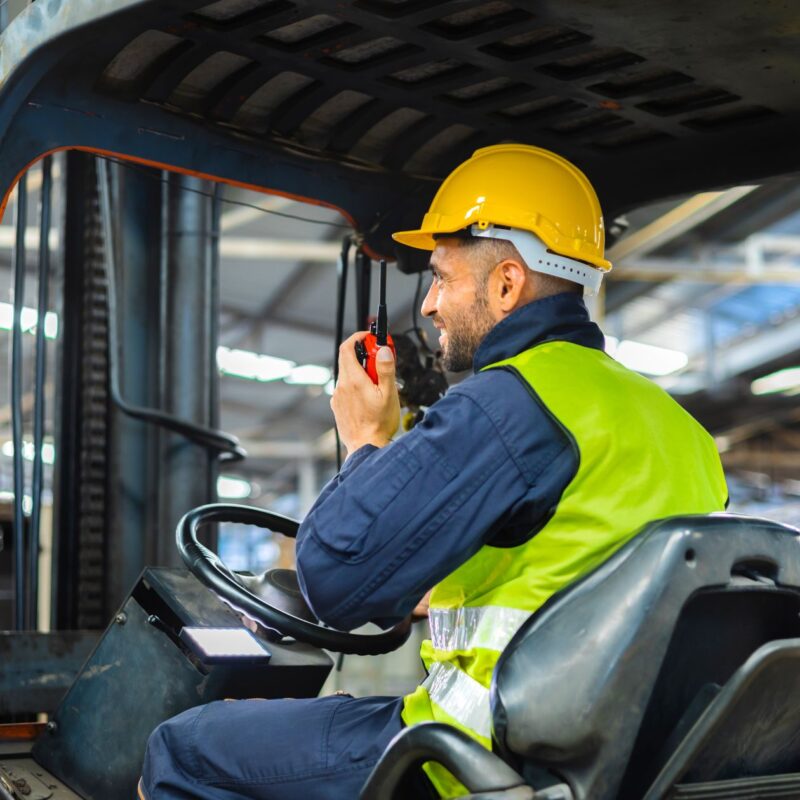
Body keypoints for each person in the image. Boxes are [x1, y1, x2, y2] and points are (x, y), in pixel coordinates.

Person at [139, 144, 728, 800]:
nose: (428, 304)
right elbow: (580, 570)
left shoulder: (511, 402)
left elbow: (334, 573)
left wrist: (369, 437)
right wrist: (433, 584)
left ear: (507, 284)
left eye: (442, 276)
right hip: (619, 765)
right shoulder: (682, 431)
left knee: (184, 747)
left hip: (473, 760)